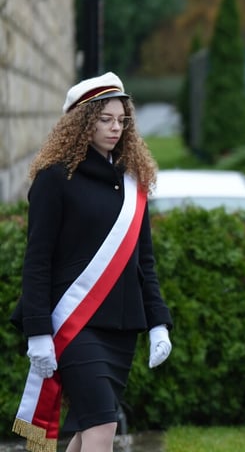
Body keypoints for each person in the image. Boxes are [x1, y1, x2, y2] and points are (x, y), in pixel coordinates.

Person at [10, 72, 173, 452]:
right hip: (74, 325)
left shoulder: (133, 181)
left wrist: (158, 323)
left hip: (121, 328)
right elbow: (37, 261)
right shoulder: (54, 179)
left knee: (88, 429)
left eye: (122, 120)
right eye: (105, 119)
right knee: (103, 424)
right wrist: (37, 332)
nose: (115, 128)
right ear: (82, 121)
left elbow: (143, 262)